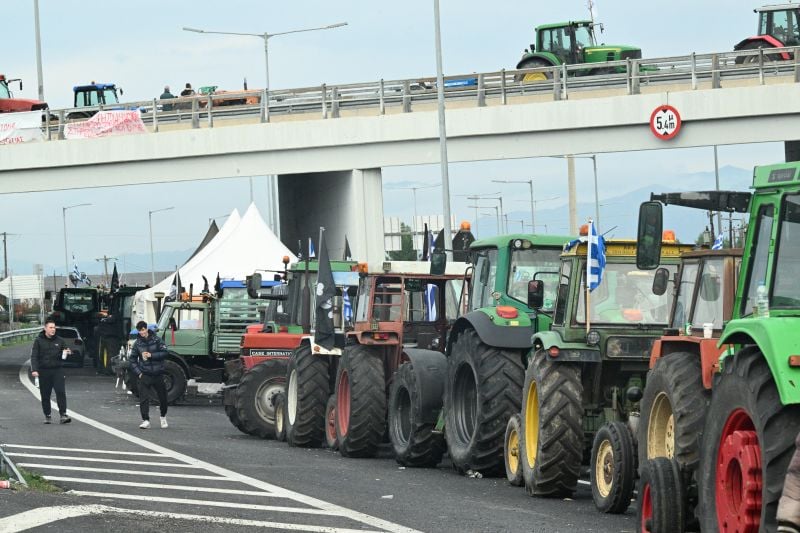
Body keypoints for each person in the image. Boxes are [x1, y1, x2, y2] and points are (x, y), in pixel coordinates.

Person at [129, 320, 169, 429]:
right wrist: (139, 373)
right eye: (140, 331)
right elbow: (132, 360)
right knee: (143, 398)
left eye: (143, 330)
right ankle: (146, 420)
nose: (142, 333)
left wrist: (151, 355)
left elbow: (165, 353)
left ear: (147, 328)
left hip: (158, 373)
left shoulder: (157, 340)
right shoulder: (137, 343)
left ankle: (163, 416)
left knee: (163, 398)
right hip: (145, 374)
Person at [30, 318, 72, 424]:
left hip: (57, 370)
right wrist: (34, 369)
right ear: (45, 328)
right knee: (45, 394)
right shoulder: (38, 341)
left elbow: (66, 353)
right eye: (51, 327)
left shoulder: (60, 340)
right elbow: (34, 356)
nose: (53, 330)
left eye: (54, 327)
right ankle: (47, 415)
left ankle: (63, 415)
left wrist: (68, 352)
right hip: (44, 371)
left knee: (60, 392)